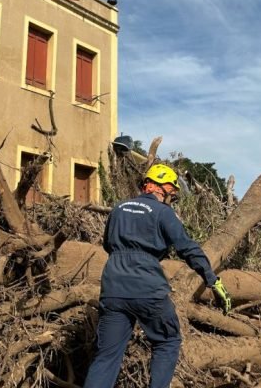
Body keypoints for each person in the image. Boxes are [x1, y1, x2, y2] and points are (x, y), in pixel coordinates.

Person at [83, 163, 232, 388]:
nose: (171, 197)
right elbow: (187, 248)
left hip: (113, 288)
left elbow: (107, 245)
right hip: (147, 287)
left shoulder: (119, 208)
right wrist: (212, 280)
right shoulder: (163, 212)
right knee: (168, 341)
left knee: (106, 356)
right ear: (160, 187)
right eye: (171, 191)